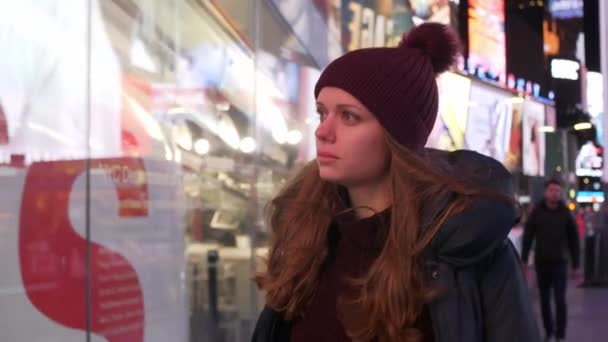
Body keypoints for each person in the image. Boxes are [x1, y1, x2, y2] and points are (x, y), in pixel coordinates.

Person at [252, 23, 540, 342]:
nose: (323, 131)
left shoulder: (470, 247)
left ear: (397, 137)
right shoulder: (305, 236)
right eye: (322, 113)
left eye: (349, 116)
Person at [522, 179, 580, 342]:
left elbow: (574, 239)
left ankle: (560, 334)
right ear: (546, 192)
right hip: (542, 262)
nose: (555, 193)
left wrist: (576, 265)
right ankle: (548, 332)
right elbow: (528, 236)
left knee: (560, 299)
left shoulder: (566, 213)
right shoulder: (537, 212)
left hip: (560, 263)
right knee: (544, 300)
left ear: (560, 194)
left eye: (557, 191)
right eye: (552, 190)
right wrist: (524, 259)